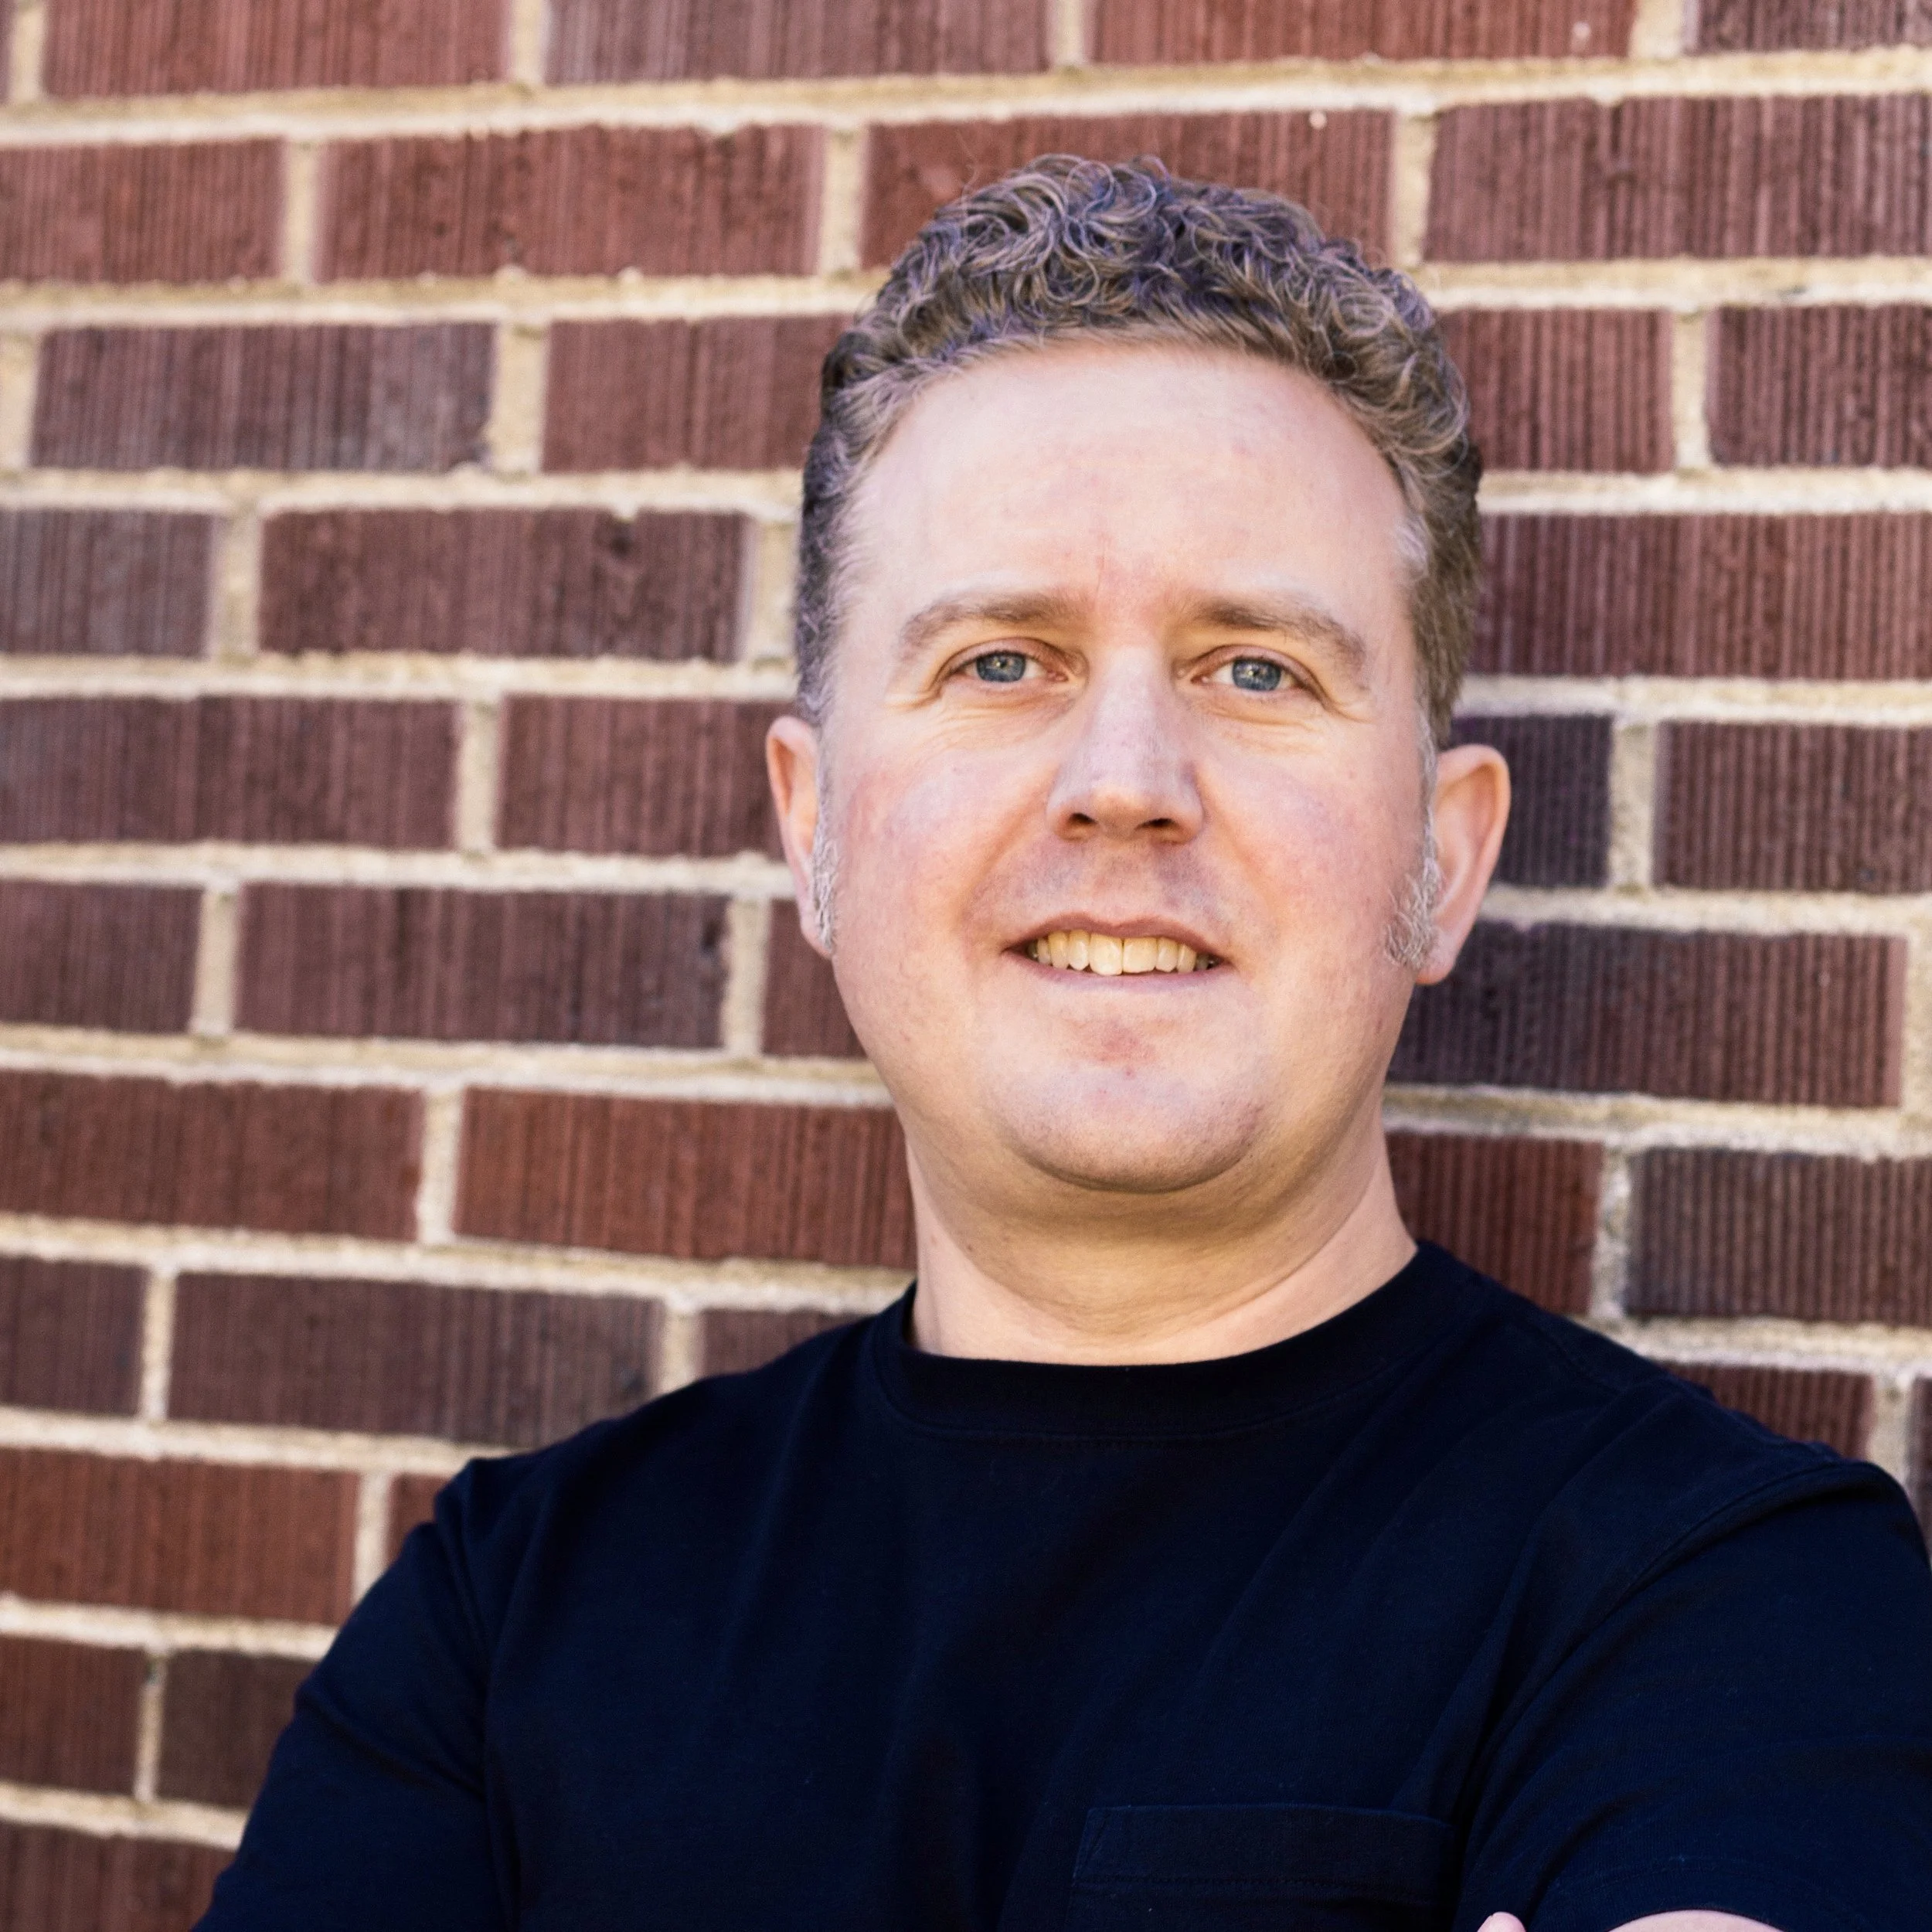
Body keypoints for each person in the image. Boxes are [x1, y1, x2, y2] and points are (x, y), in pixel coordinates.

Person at [196, 160, 1932, 1932]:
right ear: (812, 828)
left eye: (1255, 670)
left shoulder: (1716, 1597)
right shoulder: (507, 1620)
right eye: (1000, 660)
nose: (1123, 778)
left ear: (1443, 858)